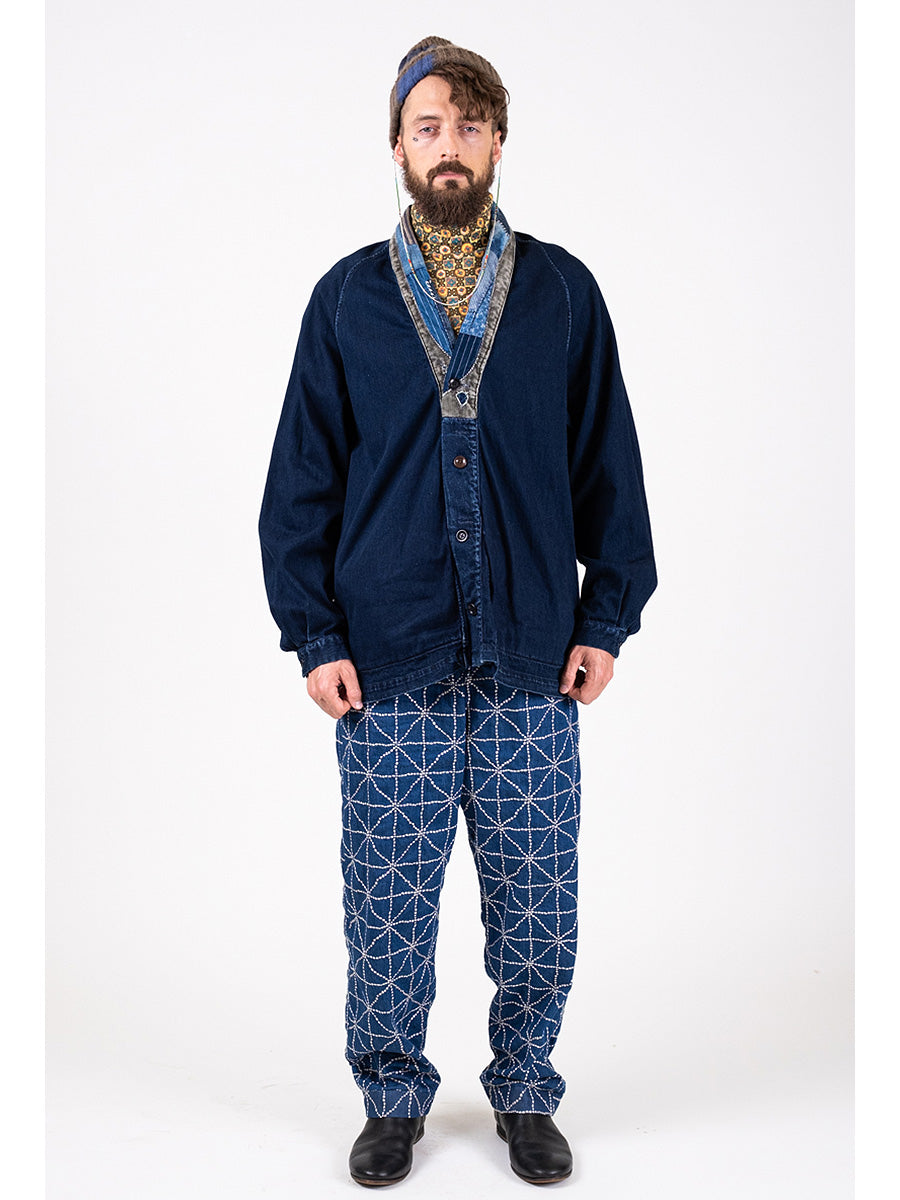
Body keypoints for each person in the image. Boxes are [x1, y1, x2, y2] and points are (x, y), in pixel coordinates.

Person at [258, 35, 657, 1188]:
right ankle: (392, 1099)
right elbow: (302, 481)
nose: (450, 144)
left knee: (539, 898)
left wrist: (605, 618)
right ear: (397, 145)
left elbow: (609, 465)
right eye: (428, 125)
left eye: (469, 125)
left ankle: (526, 1092)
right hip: (388, 661)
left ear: (498, 141)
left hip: (535, 656)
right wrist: (316, 636)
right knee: (385, 901)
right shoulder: (346, 300)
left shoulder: (561, 293)